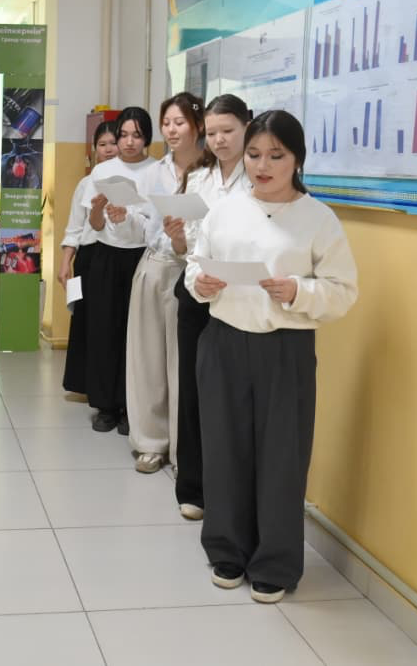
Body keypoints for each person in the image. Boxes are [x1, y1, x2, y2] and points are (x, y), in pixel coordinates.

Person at [184, 109, 358, 604]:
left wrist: (298, 290)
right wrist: (201, 282)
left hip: (285, 349)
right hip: (223, 341)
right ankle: (226, 549)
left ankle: (276, 562)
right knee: (224, 448)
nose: (262, 166)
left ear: (297, 158)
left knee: (282, 455)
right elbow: (195, 265)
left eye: (276, 156)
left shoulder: (318, 218)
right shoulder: (225, 210)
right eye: (255, 155)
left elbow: (344, 291)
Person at [168, 94, 252, 520]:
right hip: (196, 292)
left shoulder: (260, 178)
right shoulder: (198, 178)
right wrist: (177, 237)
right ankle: (193, 487)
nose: (219, 140)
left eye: (228, 131)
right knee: (193, 389)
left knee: (236, 395)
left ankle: (233, 489)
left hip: (242, 297)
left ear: (248, 126)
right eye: (213, 132)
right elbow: (186, 249)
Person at [123, 93, 207, 475]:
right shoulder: (153, 173)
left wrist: (184, 240)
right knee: (147, 359)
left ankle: (182, 448)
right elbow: (143, 225)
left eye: (180, 122)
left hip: (190, 272)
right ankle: (150, 443)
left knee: (182, 364)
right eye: (166, 123)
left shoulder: (212, 173)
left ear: (198, 125)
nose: (171, 130)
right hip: (154, 265)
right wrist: (123, 216)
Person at [83, 107, 156, 433]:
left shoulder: (157, 171)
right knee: (104, 330)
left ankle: (131, 407)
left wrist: (129, 216)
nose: (128, 142)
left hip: (141, 257)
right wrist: (99, 211)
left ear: (147, 138)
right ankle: (106, 406)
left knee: (138, 335)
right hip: (106, 257)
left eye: (136, 135)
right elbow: (95, 225)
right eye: (123, 135)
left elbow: (156, 223)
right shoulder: (103, 170)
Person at [59, 121, 120, 398]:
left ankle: (109, 388)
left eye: (113, 143)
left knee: (109, 325)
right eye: (102, 144)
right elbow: (74, 228)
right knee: (86, 323)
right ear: (95, 149)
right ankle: (85, 383)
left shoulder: (132, 183)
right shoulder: (86, 183)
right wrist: (65, 263)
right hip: (88, 258)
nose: (108, 149)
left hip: (117, 258)